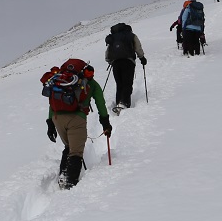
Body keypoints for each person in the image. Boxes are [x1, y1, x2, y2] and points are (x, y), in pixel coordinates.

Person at [42, 59, 111, 188]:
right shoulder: (91, 84)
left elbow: (52, 103)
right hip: (77, 118)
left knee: (68, 146)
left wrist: (50, 123)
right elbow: (100, 103)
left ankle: (63, 176)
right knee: (76, 152)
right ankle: (70, 182)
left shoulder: (60, 82)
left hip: (57, 118)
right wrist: (105, 123)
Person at [104, 22, 147, 111]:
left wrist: (110, 61)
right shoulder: (130, 35)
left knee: (119, 84)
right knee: (127, 83)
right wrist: (142, 58)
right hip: (128, 62)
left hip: (115, 63)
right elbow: (137, 47)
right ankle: (124, 103)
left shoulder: (113, 37)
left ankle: (118, 102)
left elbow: (107, 53)